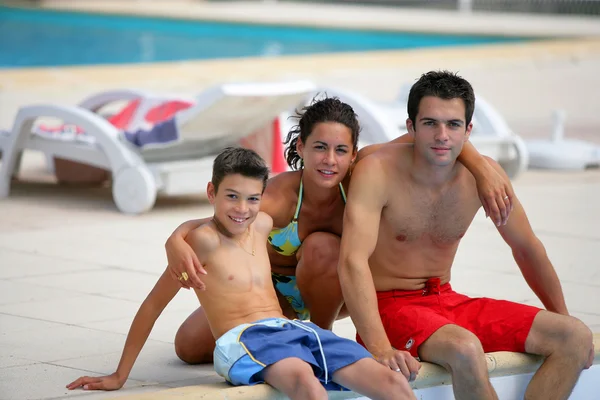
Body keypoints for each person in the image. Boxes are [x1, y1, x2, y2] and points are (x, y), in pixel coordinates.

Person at [166, 96, 515, 366]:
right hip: (275, 298)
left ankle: (321, 339)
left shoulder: (362, 173)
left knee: (322, 247)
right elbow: (222, 220)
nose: (329, 159)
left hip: (337, 293)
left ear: (353, 154)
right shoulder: (279, 196)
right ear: (301, 148)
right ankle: (296, 330)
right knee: (187, 349)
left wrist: (480, 167)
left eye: (340, 150)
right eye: (319, 147)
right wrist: (176, 238)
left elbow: (428, 134)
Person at [65, 147, 416, 400]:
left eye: (252, 199)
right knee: (307, 387)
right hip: (247, 339)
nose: (241, 209)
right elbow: (153, 306)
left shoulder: (262, 224)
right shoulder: (201, 243)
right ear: (211, 193)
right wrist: (119, 374)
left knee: (393, 385)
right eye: (231, 196)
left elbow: (373, 155)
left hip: (295, 330)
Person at [337, 70, 594, 400]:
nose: (442, 135)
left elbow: (527, 248)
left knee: (574, 337)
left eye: (453, 125)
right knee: (465, 348)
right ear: (411, 127)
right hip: (391, 307)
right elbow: (352, 261)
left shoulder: (484, 178)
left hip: (447, 299)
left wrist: (561, 314)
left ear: (468, 131)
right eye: (430, 123)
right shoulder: (379, 169)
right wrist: (379, 347)